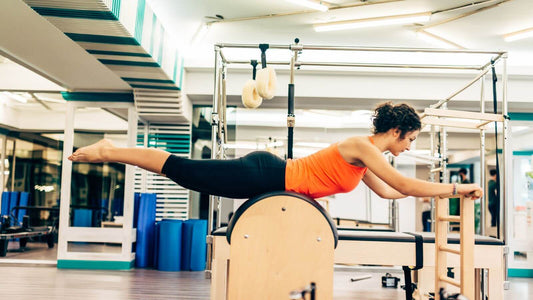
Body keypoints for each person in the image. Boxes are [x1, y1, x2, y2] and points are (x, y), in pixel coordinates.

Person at [68, 102, 482, 201]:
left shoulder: (363, 161)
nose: (409, 147)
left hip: (271, 178)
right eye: (409, 139)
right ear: (396, 131)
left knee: (184, 173)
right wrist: (457, 191)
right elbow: (405, 185)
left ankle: (113, 151)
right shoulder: (361, 146)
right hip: (264, 175)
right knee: (183, 170)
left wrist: (446, 194)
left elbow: (390, 192)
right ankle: (111, 150)